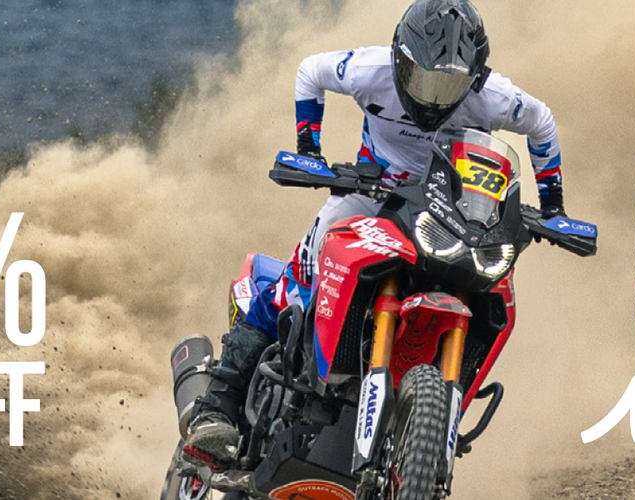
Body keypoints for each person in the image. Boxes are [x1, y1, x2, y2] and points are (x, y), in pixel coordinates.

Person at [181, 0, 567, 469]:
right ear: (401, 61)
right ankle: (216, 409)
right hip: (371, 195)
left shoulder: (496, 96)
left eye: (449, 86)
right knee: (297, 277)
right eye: (423, 79)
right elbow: (310, 71)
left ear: (475, 77)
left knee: (491, 289)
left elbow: (542, 122)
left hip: (449, 213)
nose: (434, 97)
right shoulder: (369, 68)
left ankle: (426, 421)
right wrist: (309, 147)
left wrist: (553, 205)